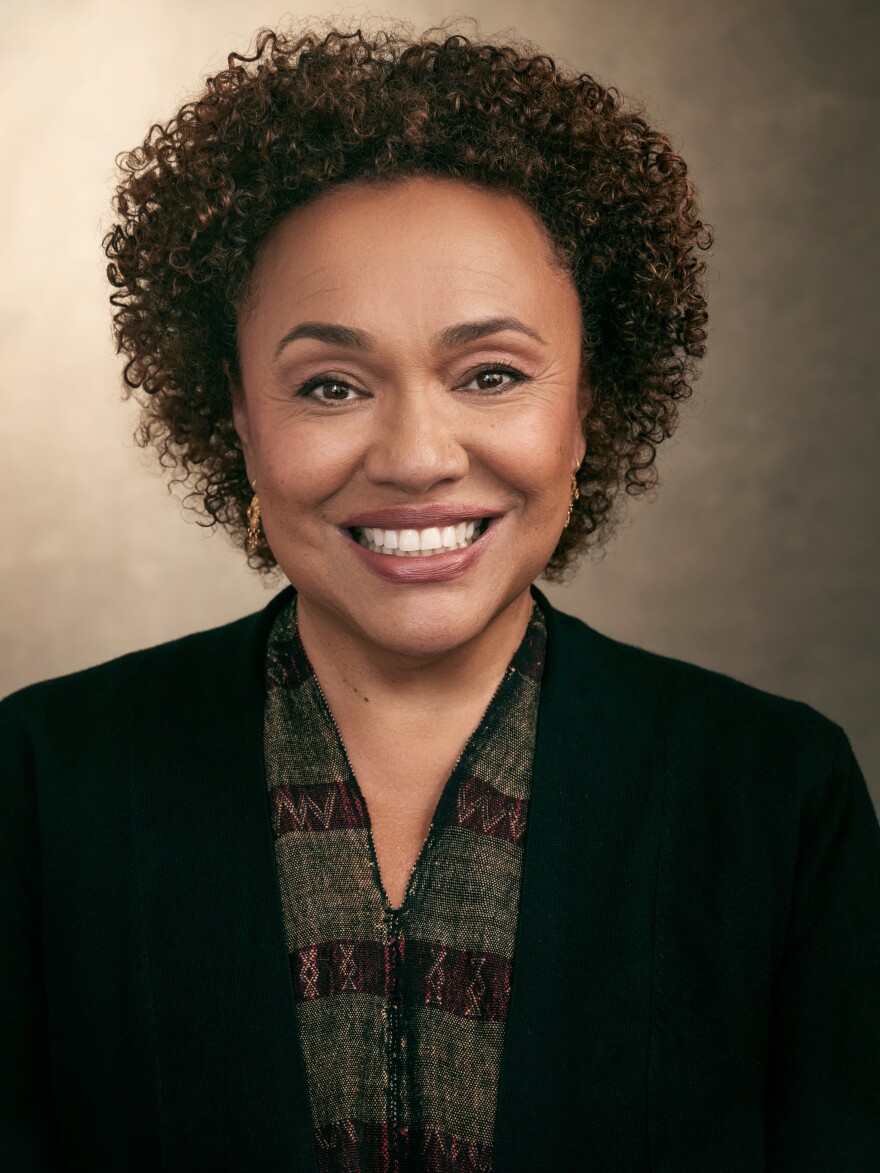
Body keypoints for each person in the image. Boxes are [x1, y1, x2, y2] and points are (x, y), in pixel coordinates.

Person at [2, 20, 878, 1173]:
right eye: (329, 384)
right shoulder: (42, 781)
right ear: (234, 413)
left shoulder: (776, 797)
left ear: (587, 405)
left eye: (493, 375)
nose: (417, 455)